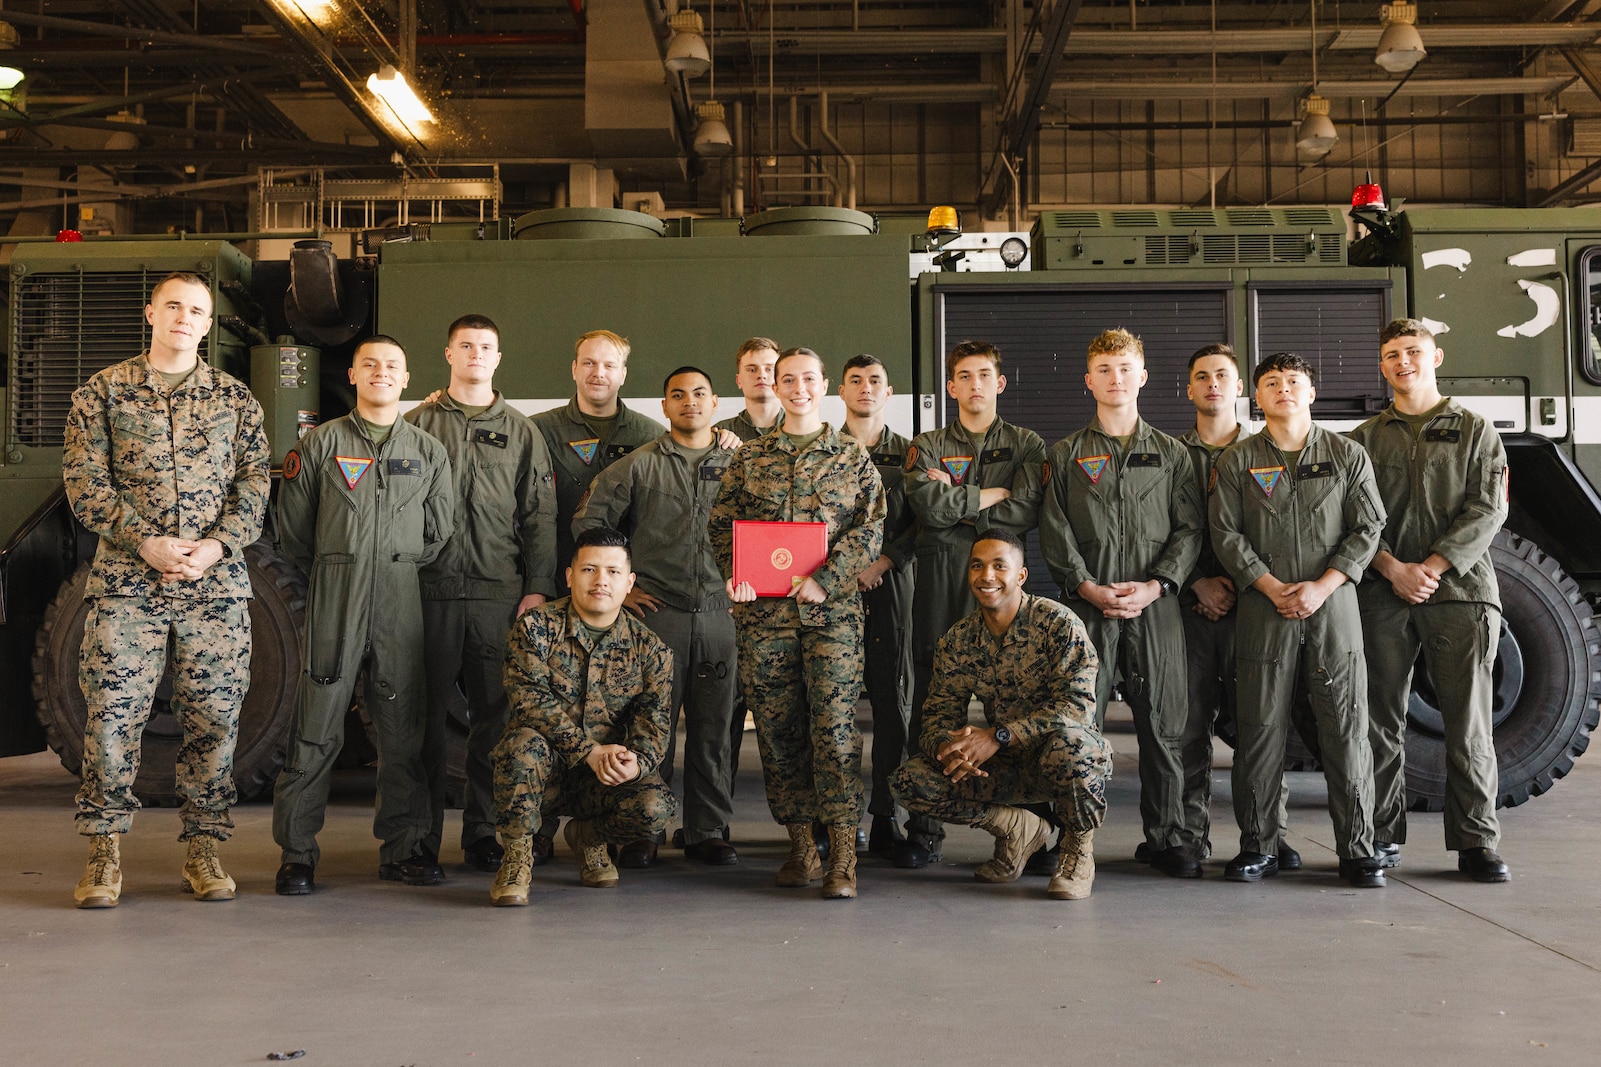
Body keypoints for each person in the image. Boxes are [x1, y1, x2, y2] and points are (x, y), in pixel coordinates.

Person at [62, 271, 270, 909]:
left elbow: (255, 483)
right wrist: (144, 542)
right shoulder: (102, 393)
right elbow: (83, 481)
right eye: (173, 305)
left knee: (215, 722)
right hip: (128, 587)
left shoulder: (237, 401)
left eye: (197, 310)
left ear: (209, 325)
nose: (184, 317)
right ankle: (103, 857)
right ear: (150, 312)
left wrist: (216, 546)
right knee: (111, 723)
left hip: (215, 590)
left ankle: (204, 851)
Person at [271, 336, 455, 895]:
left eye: (391, 366)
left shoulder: (427, 450)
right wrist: (340, 567)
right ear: (352, 374)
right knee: (316, 723)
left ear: (406, 378)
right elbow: (293, 531)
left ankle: (405, 849)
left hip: (400, 599)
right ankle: (297, 854)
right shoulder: (320, 444)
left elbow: (438, 530)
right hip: (336, 594)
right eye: (369, 364)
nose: (380, 372)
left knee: (403, 730)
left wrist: (391, 565)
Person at [709, 346, 886, 899]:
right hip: (764, 618)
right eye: (788, 379)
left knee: (834, 732)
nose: (798, 387)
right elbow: (722, 528)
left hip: (831, 617)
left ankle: (841, 859)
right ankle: (801, 847)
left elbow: (870, 529)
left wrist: (826, 581)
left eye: (808, 378)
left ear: (824, 384)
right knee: (780, 734)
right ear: (776, 387)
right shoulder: (750, 458)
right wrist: (736, 575)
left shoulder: (851, 456)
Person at [1210, 352, 1388, 888]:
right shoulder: (1237, 461)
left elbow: (1368, 526)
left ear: (1311, 392)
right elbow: (1225, 533)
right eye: (1271, 383)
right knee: (1260, 729)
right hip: (1264, 611)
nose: (1283, 390)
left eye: (1293, 382)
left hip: (1333, 608)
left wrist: (1325, 585)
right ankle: (1258, 846)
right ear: (1256, 398)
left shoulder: (1347, 454)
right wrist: (1267, 585)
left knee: (1348, 730)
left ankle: (1357, 849)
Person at [1349, 319, 1511, 883]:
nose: (1403, 362)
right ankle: (1380, 836)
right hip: (1383, 594)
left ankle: (1477, 842)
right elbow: (1352, 519)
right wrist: (1392, 568)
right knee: (1378, 722)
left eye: (1413, 352)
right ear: (1382, 365)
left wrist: (1434, 567)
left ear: (1436, 356)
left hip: (1461, 595)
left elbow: (1488, 508)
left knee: (1468, 724)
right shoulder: (1364, 439)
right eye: (1392, 354)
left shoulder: (1474, 429)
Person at [1040, 328, 1202, 877]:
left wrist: (1158, 585)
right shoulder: (1065, 455)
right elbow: (1055, 529)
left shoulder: (1173, 453)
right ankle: (1068, 838)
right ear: (1089, 380)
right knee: (1075, 723)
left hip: (1155, 608)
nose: (1115, 379)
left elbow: (1189, 529)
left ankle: (1169, 837)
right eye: (1105, 369)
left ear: (1143, 377)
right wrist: (1084, 586)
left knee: (1165, 724)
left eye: (1125, 368)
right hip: (1087, 607)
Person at [405, 313, 557, 875]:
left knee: (497, 719)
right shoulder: (415, 425)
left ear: (498, 357)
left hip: (499, 592)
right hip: (428, 592)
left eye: (485, 346)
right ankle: (415, 839)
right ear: (448, 354)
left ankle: (485, 834)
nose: (475, 354)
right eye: (465, 345)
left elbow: (540, 515)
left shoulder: (521, 431)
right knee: (420, 722)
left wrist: (538, 587)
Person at [573, 366, 740, 868]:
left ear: (715, 404)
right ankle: (642, 828)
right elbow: (589, 523)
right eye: (677, 395)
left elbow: (771, 524)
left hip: (721, 612)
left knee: (715, 727)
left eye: (700, 394)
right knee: (649, 727)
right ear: (663, 408)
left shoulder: (741, 462)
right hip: (656, 616)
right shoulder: (639, 465)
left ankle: (707, 829)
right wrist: (626, 589)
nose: (689, 402)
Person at [892, 531, 1111, 899]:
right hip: (1004, 766)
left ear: (1021, 576)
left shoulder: (1058, 624)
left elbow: (1077, 709)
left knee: (1073, 750)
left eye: (999, 566)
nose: (986, 576)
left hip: (1057, 759)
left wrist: (997, 736)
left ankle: (1077, 851)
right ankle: (1016, 828)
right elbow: (936, 721)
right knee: (912, 780)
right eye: (977, 566)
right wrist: (953, 747)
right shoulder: (959, 640)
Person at [900, 340, 1045, 868]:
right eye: (965, 375)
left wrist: (959, 496)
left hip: (1003, 585)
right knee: (934, 699)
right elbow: (927, 505)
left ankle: (1033, 831)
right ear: (952, 386)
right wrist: (992, 494)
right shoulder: (928, 443)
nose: (976, 384)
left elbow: (1027, 508)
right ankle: (925, 829)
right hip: (941, 580)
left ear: (999, 383)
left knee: (1019, 706)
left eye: (985, 374)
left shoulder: (1028, 443)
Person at [488, 526, 677, 904]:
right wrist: (588, 750)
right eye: (589, 570)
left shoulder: (651, 650)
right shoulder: (536, 628)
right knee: (521, 747)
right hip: (547, 771)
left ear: (629, 583)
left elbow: (653, 722)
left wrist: (634, 763)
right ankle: (516, 859)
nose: (601, 581)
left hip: (604, 779)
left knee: (657, 807)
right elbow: (529, 702)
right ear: (570, 576)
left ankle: (589, 839)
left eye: (612, 572)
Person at [1176, 343, 1299, 873]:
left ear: (1239, 388)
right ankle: (1188, 835)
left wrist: (1245, 585)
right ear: (1187, 389)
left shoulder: (1266, 452)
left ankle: (1270, 832)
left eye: (1222, 375)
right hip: (1188, 607)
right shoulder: (1169, 453)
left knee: (1262, 725)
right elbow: (1155, 530)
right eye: (1200, 376)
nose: (1211, 385)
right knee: (1188, 725)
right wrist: (1198, 584)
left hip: (1255, 608)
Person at [839, 354, 918, 857]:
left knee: (894, 705)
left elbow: (922, 521)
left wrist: (884, 561)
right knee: (832, 709)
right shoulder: (824, 449)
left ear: (889, 392)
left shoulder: (911, 454)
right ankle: (837, 820)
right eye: (855, 381)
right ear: (841, 391)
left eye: (875, 382)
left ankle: (888, 815)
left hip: (891, 589)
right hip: (832, 593)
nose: (865, 388)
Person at [530, 330, 665, 595]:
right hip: (556, 582)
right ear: (574, 369)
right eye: (589, 363)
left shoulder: (652, 437)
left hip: (629, 589)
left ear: (623, 374)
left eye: (609, 365)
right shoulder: (536, 430)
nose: (598, 373)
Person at [715, 336, 784, 442]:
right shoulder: (719, 435)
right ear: (739, 381)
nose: (761, 375)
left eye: (769, 369)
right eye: (752, 370)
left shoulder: (803, 430)